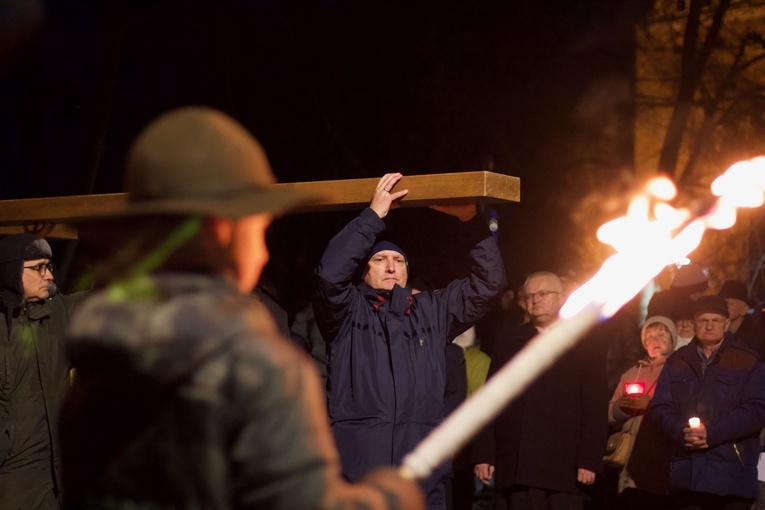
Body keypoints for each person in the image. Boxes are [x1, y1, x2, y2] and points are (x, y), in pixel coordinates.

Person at [60, 107, 424, 510]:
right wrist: (391, 497)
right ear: (222, 230)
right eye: (258, 228)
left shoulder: (98, 362)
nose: (264, 249)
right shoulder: (256, 369)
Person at [313, 172, 506, 509]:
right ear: (364, 272)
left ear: (406, 271)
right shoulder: (347, 313)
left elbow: (488, 284)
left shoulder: (431, 312)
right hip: (359, 465)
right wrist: (372, 217)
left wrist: (470, 221)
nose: (391, 267)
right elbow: (330, 274)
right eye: (379, 260)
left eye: (399, 261)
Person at [472, 271, 608, 510]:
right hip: (517, 463)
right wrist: (484, 454)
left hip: (564, 467)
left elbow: (595, 405)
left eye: (543, 293)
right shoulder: (509, 342)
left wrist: (589, 459)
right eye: (530, 296)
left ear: (561, 298)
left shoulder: (585, 343)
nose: (536, 300)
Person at [649, 294, 765, 510]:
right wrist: (681, 431)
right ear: (693, 324)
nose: (709, 326)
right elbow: (660, 408)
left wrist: (711, 433)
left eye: (716, 320)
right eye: (703, 320)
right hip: (687, 475)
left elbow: (757, 410)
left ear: (727, 324)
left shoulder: (748, 360)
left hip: (731, 476)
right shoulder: (677, 361)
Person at [0, 233, 85, 509]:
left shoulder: (58, 312)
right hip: (14, 480)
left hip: (60, 475)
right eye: (38, 267)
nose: (49, 275)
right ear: (12, 270)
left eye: (49, 266)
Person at [607, 316, 676, 510]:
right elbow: (609, 413)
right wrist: (622, 406)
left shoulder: (679, 372)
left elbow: (682, 410)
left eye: (661, 335)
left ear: (672, 339)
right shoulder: (631, 373)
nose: (655, 340)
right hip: (630, 458)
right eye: (650, 336)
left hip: (661, 455)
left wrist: (651, 404)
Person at [718, 279, 765, 356]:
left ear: (744, 309)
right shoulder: (717, 336)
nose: (723, 307)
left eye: (728, 303)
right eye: (721, 303)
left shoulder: (757, 341)